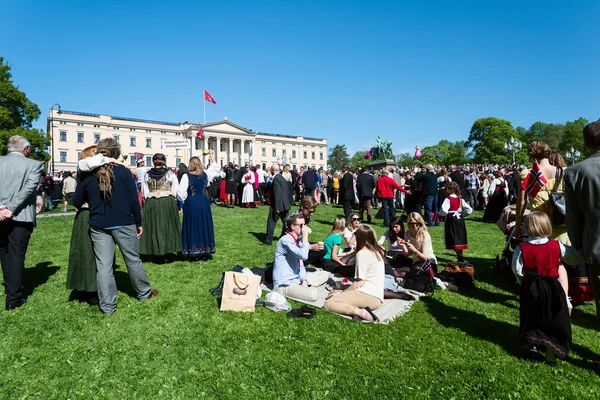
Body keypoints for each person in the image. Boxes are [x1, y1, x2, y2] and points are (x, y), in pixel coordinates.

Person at [73, 138, 157, 314]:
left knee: (103, 266)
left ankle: (107, 306)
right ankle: (143, 292)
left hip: (98, 223)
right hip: (124, 222)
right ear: (115, 153)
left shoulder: (87, 172)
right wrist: (138, 222)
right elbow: (134, 200)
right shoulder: (124, 172)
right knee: (132, 259)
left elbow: (76, 201)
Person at [512, 211, 576, 366]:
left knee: (532, 314)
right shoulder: (556, 246)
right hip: (553, 288)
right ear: (548, 227)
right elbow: (574, 257)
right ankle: (550, 353)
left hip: (532, 287)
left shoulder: (522, 248)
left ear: (527, 227)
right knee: (552, 316)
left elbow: (517, 269)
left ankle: (533, 343)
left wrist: (524, 281)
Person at [0, 136, 44, 311]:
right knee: (17, 254)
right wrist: (9, 208)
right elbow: (28, 188)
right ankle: (14, 297)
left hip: (1, 214)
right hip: (20, 215)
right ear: (26, 149)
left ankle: (11, 289)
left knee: (4, 252)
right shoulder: (34, 164)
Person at [565, 121, 600, 325]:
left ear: (586, 143)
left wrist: (578, 243)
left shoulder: (575, 172)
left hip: (595, 244)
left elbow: (573, 216)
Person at [324, 224, 385, 322]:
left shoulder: (362, 253)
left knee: (329, 303)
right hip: (377, 296)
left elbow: (359, 283)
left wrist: (342, 293)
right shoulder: (377, 252)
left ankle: (360, 312)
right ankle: (359, 311)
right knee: (336, 293)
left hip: (368, 295)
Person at [514, 142, 567, 243]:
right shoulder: (565, 172)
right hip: (562, 221)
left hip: (538, 224)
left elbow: (521, 203)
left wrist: (517, 226)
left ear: (532, 155)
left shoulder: (527, 174)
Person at [67, 146, 100, 305]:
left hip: (87, 213)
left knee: (85, 250)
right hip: (100, 214)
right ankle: (91, 287)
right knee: (96, 252)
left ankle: (87, 287)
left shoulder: (84, 173)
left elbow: (77, 199)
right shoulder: (105, 171)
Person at [272, 214, 330, 302]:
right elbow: (304, 256)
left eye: (304, 225)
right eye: (301, 225)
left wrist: (304, 280)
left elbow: (301, 263)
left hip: (296, 279)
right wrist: (305, 237)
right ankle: (309, 289)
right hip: (284, 284)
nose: (304, 228)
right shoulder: (285, 241)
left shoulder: (297, 241)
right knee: (313, 294)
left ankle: (306, 287)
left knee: (325, 274)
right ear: (292, 226)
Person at [177, 150, 220, 261]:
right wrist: (212, 157)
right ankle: (205, 251)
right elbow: (215, 168)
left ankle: (193, 251)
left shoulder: (186, 177)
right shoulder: (206, 174)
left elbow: (180, 193)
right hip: (203, 201)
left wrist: (184, 199)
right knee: (203, 224)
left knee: (193, 225)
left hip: (192, 201)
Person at [139, 153, 182, 260]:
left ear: (153, 162)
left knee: (154, 226)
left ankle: (155, 251)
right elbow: (175, 189)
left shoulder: (147, 174)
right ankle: (167, 251)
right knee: (168, 226)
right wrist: (168, 195)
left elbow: (145, 191)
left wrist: (154, 194)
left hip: (152, 201)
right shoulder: (170, 174)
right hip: (167, 201)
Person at [439, 182, 472, 262]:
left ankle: (460, 256)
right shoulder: (460, 199)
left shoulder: (448, 199)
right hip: (460, 220)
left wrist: (440, 214)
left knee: (452, 237)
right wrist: (462, 214)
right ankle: (460, 255)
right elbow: (469, 210)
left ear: (450, 190)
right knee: (459, 237)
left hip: (451, 219)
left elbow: (444, 210)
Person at [263, 163, 291, 246]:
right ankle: (284, 237)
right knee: (286, 223)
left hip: (278, 205)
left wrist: (277, 207)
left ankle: (268, 240)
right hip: (285, 205)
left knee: (271, 222)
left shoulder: (276, 179)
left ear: (272, 170)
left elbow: (277, 194)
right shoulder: (282, 178)